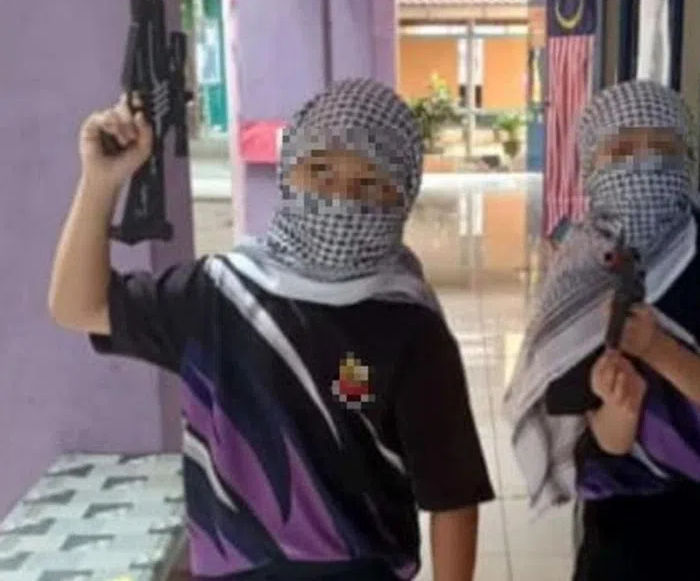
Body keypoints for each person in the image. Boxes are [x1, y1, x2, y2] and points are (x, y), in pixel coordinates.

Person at [48, 80, 493, 580]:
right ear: (289, 171)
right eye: (321, 171)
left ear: (403, 194)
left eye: (370, 183)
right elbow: (77, 306)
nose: (342, 198)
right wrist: (101, 182)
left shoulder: (408, 326)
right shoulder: (217, 296)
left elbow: (453, 497)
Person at [504, 80, 700, 581]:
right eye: (622, 149)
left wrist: (657, 349)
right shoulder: (584, 264)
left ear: (687, 154)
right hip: (619, 501)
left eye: (663, 147)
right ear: (592, 165)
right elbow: (600, 436)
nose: (643, 163)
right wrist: (619, 406)